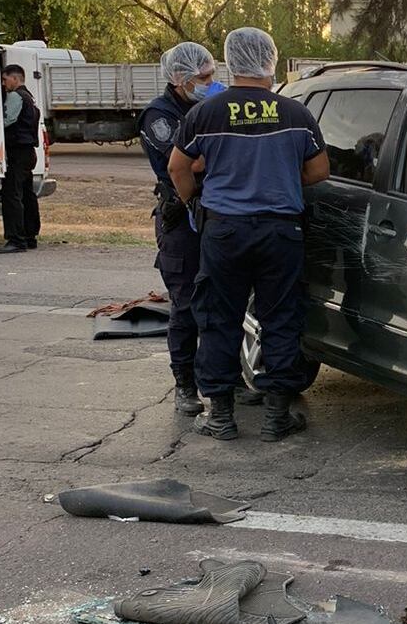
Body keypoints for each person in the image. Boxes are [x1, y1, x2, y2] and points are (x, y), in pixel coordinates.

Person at [168, 27, 330, 442]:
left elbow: (177, 168)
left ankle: (221, 416)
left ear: (230, 61)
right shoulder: (295, 113)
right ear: (270, 60)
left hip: (224, 231)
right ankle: (277, 415)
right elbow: (318, 171)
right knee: (281, 318)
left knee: (219, 319)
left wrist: (193, 204)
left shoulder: (205, 113)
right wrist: (278, 178)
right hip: (280, 232)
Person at [139, 42, 217, 415]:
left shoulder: (205, 108)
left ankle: (222, 380)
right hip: (180, 217)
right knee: (185, 305)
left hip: (214, 213)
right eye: (203, 77)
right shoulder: (160, 113)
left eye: (212, 75)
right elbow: (186, 164)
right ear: (180, 78)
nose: (210, 82)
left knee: (219, 302)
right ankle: (184, 384)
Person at [0, 64, 41, 254]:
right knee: (27, 194)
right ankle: (29, 235)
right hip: (28, 151)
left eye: (5, 80)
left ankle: (16, 239)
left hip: (17, 152)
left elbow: (5, 120)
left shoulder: (15, 97)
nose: (4, 84)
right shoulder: (29, 97)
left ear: (15, 79)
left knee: (11, 194)